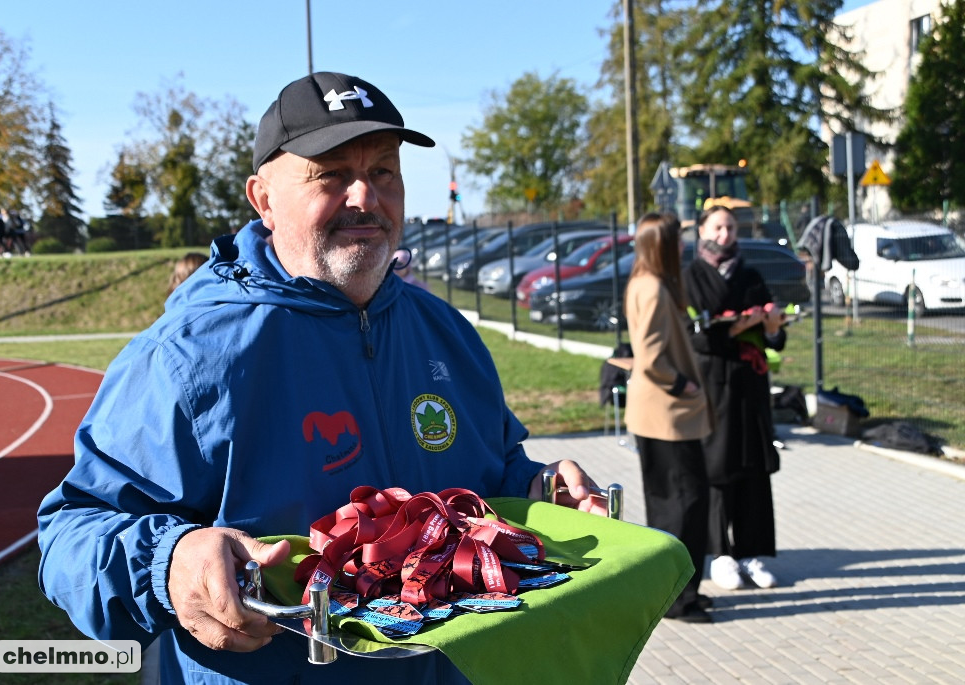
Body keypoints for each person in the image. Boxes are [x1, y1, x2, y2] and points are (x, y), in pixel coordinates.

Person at [37, 71, 606, 685]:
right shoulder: (190, 355)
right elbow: (72, 533)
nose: (365, 196)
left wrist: (540, 490)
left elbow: (490, 477)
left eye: (384, 171)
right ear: (263, 199)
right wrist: (170, 564)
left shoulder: (447, 332)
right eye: (330, 174)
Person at [682, 205, 785, 592]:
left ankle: (752, 552)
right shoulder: (692, 278)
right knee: (718, 470)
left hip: (750, 386)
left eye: (731, 227)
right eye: (719, 227)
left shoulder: (751, 274)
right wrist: (736, 326)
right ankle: (721, 555)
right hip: (713, 385)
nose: (726, 234)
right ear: (704, 230)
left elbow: (774, 334)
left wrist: (771, 324)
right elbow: (694, 334)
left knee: (754, 469)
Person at [623, 212, 713, 623]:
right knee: (686, 506)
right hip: (669, 414)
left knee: (667, 507)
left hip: (653, 415)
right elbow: (652, 358)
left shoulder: (640, 283)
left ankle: (675, 593)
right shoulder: (656, 289)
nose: (683, 248)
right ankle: (681, 598)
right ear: (662, 246)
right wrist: (685, 386)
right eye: (676, 241)